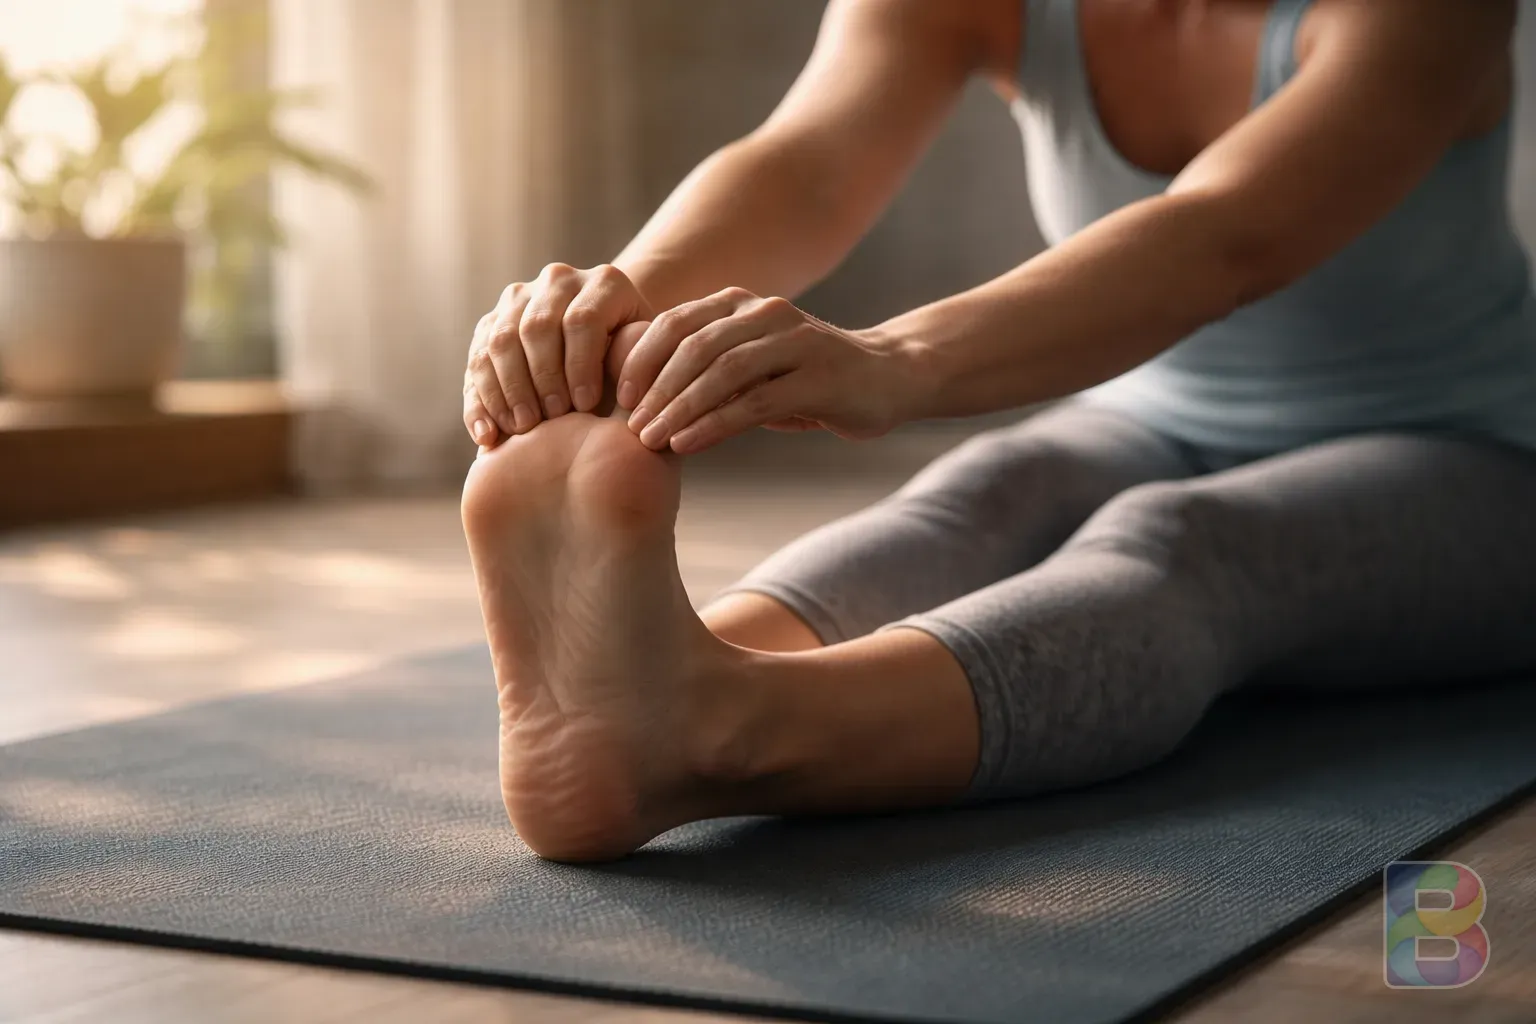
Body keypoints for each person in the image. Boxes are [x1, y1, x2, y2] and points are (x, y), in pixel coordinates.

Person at [458, 0, 1536, 863]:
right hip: (1154, 415)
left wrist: (895, 360)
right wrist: (618, 309)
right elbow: (807, 161)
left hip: (1479, 454)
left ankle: (732, 730)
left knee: (1185, 541)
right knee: (988, 487)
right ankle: (664, 669)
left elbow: (1223, 238)